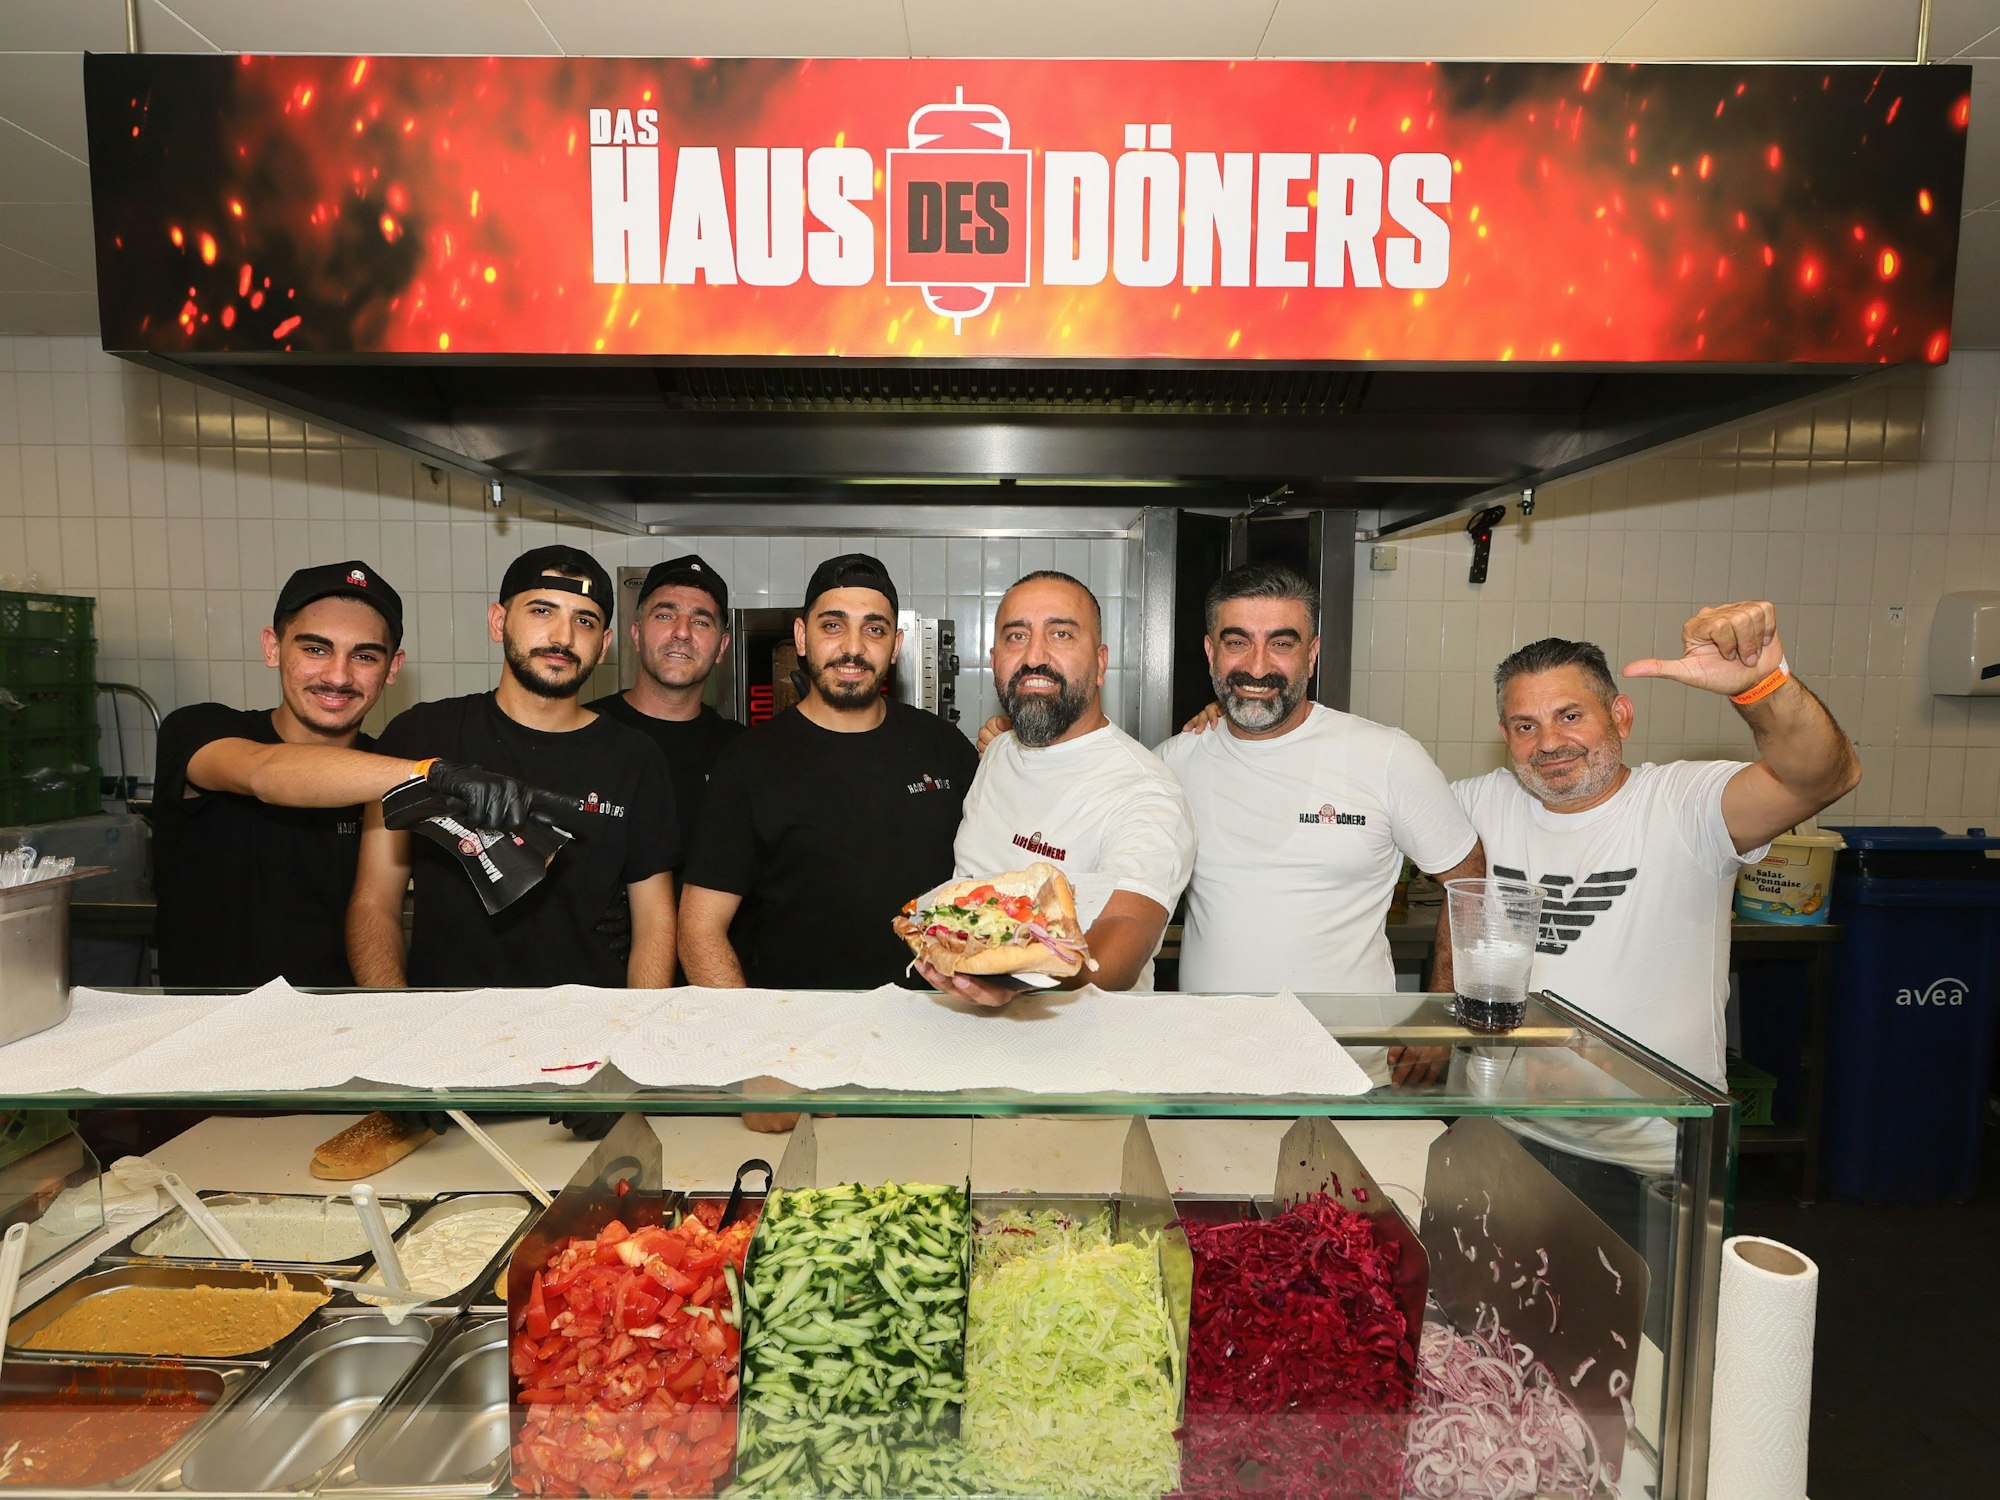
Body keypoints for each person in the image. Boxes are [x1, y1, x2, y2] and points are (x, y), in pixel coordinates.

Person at [151, 561, 550, 987]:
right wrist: (429, 775)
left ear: (393, 668)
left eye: (363, 656)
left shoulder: (391, 767)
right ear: (273, 647)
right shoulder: (199, 729)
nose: (338, 676)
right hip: (208, 1033)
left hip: (346, 1032)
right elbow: (266, 773)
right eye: (315, 649)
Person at [1157, 563, 1485, 1020]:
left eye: (1281, 644)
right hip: (1215, 1064)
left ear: (1311, 654)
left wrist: (1439, 1013)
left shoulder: (1386, 756)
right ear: (1211, 652)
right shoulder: (1172, 764)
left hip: (1352, 1064)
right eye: (1237, 643)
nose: (1257, 666)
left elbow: (1470, 885)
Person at [347, 545, 681, 989]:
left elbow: (656, 921)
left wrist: (636, 1030)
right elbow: (375, 903)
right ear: (498, 622)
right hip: (448, 1031)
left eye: (585, 620)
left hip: (590, 1030)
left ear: (603, 647)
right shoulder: (421, 735)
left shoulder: (635, 757)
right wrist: (394, 1017)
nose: (563, 637)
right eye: (542, 610)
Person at [678, 553, 978, 992]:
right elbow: (699, 930)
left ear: (895, 645)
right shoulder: (749, 763)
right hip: (802, 1035)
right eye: (833, 625)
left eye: (874, 629)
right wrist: (749, 1036)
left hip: (938, 1020)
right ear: (802, 636)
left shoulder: (946, 747)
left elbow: (991, 889)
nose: (853, 648)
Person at [925, 570, 1195, 1006]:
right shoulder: (998, 753)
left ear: (1101, 662)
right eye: (1016, 636)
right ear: (995, 658)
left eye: (1061, 634)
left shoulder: (1145, 792)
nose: (1034, 656)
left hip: (1085, 1054)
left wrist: (1011, 978)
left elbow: (1118, 947)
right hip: (968, 1032)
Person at [592, 554, 745, 849]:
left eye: (701, 621)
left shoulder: (743, 754)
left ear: (722, 647)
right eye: (665, 616)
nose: (683, 632)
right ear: (636, 635)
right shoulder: (583, 734)